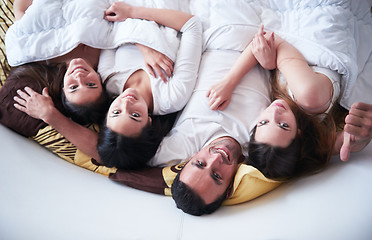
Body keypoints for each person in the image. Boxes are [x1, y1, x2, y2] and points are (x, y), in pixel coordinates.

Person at [13, 2, 202, 170]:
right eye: (135, 115)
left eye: (116, 113)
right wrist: (134, 15)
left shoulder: (107, 79)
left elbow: (111, 29)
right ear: (149, 122)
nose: (126, 104)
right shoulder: (172, 96)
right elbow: (192, 25)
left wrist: (143, 45)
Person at [207, 25, 338, 181]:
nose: (275, 112)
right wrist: (230, 82)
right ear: (299, 134)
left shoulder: (295, 108)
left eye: (263, 122)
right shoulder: (310, 97)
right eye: (283, 125)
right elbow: (270, 40)